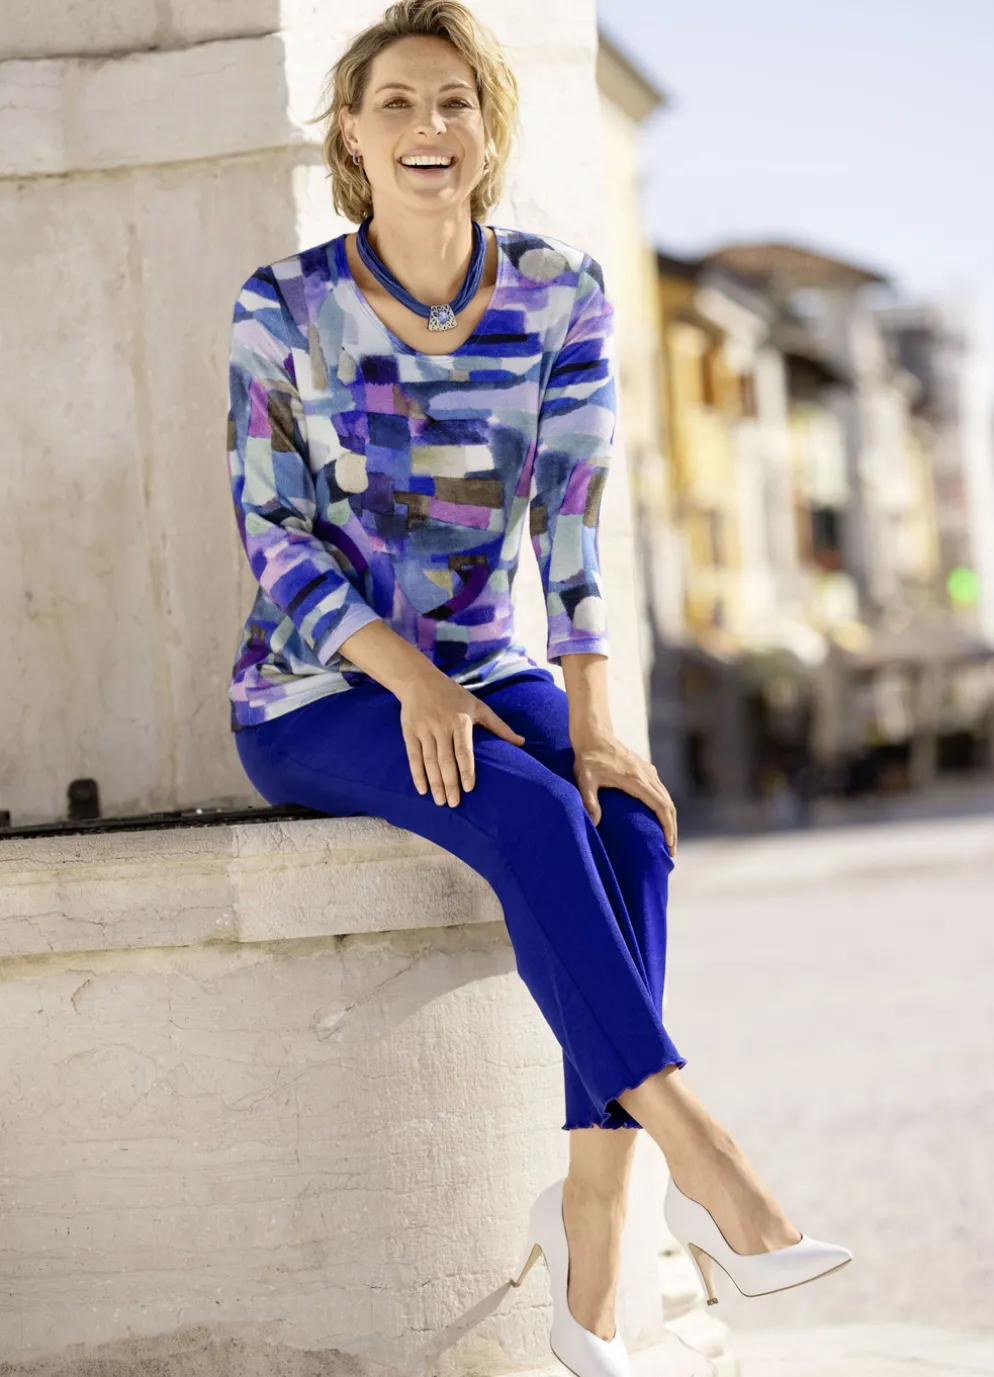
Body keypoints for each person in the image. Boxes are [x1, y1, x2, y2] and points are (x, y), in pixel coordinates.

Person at [225, 1, 851, 1368]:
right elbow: (274, 538)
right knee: (527, 807)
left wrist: (602, 725)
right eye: (396, 103)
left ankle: (594, 1215)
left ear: (490, 127)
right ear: (351, 135)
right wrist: (410, 682)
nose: (428, 127)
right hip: (316, 688)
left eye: (455, 101)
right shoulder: (284, 306)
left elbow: (572, 524)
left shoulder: (559, 293)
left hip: (491, 662)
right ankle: (702, 1155)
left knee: (628, 818)